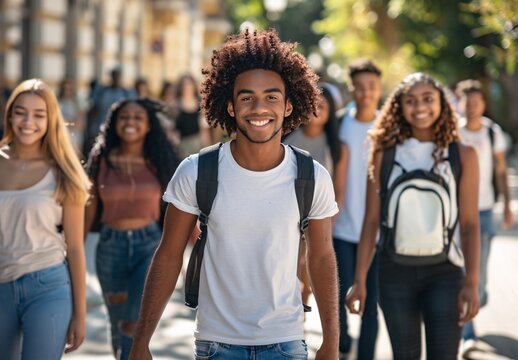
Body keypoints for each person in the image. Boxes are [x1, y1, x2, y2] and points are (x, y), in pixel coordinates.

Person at [130, 28, 339, 360]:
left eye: (272, 97)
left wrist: (332, 340)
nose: (259, 108)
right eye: (247, 98)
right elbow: (168, 256)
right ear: (229, 106)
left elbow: (322, 257)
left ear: (287, 107)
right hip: (216, 344)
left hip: (286, 342)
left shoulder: (311, 176)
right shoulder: (196, 171)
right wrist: (141, 340)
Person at [346, 72, 481, 359]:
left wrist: (471, 282)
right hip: (394, 272)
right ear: (399, 107)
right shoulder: (384, 153)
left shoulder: (463, 154)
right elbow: (371, 221)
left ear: (442, 104)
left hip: (446, 271)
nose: (420, 107)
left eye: (427, 99)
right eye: (411, 100)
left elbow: (470, 225)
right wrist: (359, 279)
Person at [0, 79, 90, 359]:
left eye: (39, 114)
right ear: (10, 114)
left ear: (51, 119)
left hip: (48, 286)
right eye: (20, 112)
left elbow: (74, 248)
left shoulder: (63, 171)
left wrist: (80, 314)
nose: (28, 121)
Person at [84, 98, 179, 360]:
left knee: (132, 322)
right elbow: (89, 208)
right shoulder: (101, 160)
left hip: (148, 246)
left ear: (149, 126)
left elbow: (178, 208)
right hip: (109, 248)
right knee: (118, 322)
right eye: (125, 116)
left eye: (138, 117)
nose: (131, 122)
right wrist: (74, 251)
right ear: (115, 123)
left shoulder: (159, 161)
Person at [456, 79, 514, 357]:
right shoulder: (453, 132)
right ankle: (467, 332)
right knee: (464, 271)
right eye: (466, 102)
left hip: (485, 209)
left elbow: (501, 171)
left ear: (483, 104)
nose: (471, 107)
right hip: (457, 212)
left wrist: (506, 205)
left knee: (479, 274)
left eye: (476, 102)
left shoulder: (493, 133)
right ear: (460, 103)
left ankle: (479, 294)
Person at [333, 59, 383, 359]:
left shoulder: (389, 125)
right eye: (360, 87)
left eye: (372, 87)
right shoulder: (339, 124)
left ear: (379, 89)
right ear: (352, 88)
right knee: (337, 297)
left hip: (377, 232)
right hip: (341, 227)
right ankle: (342, 345)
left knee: (372, 304)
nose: (366, 93)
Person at [283, 83, 345, 308]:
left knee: (306, 264)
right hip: (286, 212)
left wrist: (329, 219)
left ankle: (302, 307)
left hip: (318, 216)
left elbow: (339, 188)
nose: (316, 110)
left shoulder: (335, 146)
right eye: (312, 104)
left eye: (323, 106)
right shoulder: (287, 138)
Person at [174, 74, 210, 157]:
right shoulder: (175, 105)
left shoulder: (201, 104)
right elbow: (172, 130)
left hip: (197, 143)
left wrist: (207, 150)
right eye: (185, 84)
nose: (187, 87)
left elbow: (204, 129)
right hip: (182, 145)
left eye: (189, 84)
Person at [58, 77, 85, 156]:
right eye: (65, 89)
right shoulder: (58, 102)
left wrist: (67, 123)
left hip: (76, 138)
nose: (67, 91)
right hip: (61, 137)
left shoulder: (78, 103)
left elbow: (81, 124)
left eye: (69, 89)